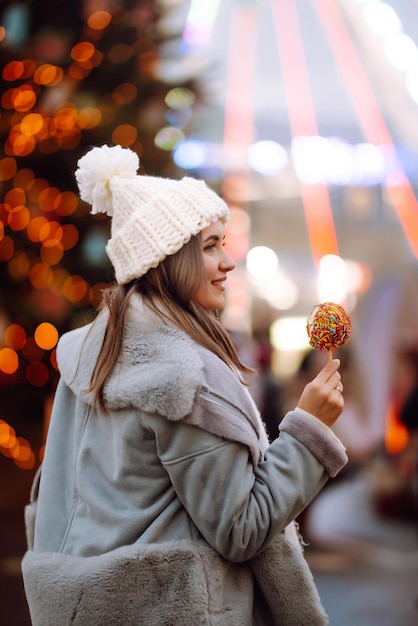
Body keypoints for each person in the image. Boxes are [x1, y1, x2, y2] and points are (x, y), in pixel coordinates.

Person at [21, 144, 348, 625]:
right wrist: (309, 432)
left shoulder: (85, 355)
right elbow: (240, 529)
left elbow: (54, 500)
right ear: (167, 257)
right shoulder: (184, 377)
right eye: (211, 245)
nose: (229, 261)